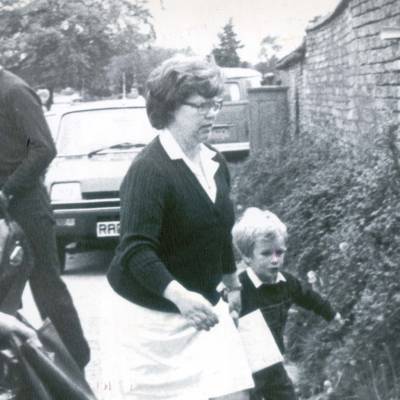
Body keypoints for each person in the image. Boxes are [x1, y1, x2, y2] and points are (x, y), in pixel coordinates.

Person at [107, 55, 254, 399]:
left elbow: (217, 229)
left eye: (215, 104)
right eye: (200, 105)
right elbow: (135, 250)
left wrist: (232, 283)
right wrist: (179, 296)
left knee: (235, 394)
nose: (212, 113)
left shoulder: (215, 161)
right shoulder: (149, 171)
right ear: (169, 108)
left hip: (202, 308)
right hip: (150, 320)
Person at [0, 66, 90, 369]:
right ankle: (15, 370)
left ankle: (76, 365)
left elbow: (43, 149)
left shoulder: (14, 91)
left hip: (26, 207)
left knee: (47, 288)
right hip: (3, 206)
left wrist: (7, 191)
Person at [232, 207, 344, 400]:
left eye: (279, 252)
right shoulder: (239, 289)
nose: (275, 260)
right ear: (247, 257)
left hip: (273, 364)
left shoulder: (287, 283)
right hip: (242, 369)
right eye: (266, 254)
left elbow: (308, 297)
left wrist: (332, 314)